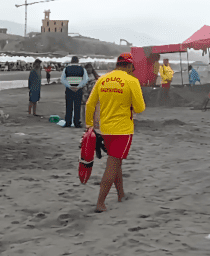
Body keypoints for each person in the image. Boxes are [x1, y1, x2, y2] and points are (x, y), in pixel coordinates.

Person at [86, 53, 146, 213]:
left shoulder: (102, 79)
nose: (132, 71)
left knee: (116, 161)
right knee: (112, 164)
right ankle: (100, 203)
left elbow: (90, 104)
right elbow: (140, 108)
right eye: (132, 68)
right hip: (123, 130)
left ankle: (121, 195)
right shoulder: (131, 81)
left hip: (105, 128)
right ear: (128, 66)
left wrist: (89, 125)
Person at [60, 56, 88, 128]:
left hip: (69, 90)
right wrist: (78, 86)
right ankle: (77, 123)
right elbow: (85, 79)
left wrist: (69, 86)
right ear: (78, 61)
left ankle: (68, 122)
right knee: (77, 106)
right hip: (78, 90)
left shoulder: (66, 69)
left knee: (68, 106)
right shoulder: (82, 69)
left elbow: (62, 79)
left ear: (71, 61)